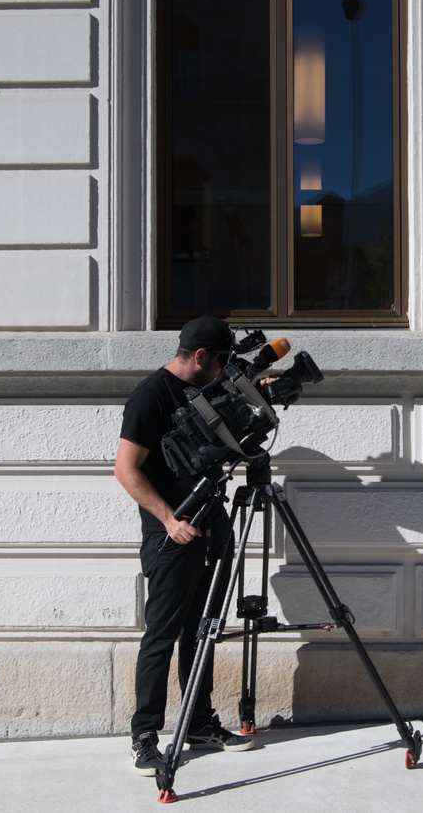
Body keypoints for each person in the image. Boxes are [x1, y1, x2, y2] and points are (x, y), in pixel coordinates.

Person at [115, 315, 256, 776]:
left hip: (212, 525)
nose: (223, 369)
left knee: (204, 630)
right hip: (172, 534)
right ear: (199, 356)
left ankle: (198, 721)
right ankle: (144, 736)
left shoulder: (206, 388)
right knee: (163, 635)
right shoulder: (151, 396)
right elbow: (126, 469)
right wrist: (167, 519)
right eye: (220, 361)